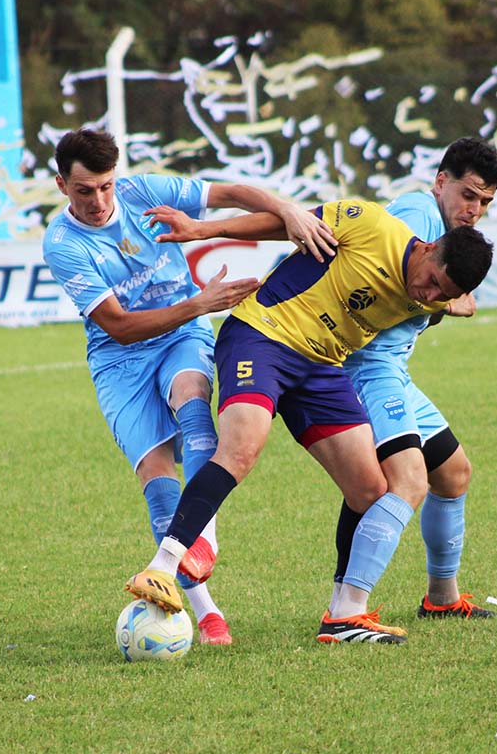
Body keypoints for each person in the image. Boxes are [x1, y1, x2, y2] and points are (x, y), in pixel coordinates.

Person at [125, 199, 494, 644]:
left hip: (322, 367)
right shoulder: (372, 225)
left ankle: (342, 618)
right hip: (262, 334)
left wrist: (450, 302)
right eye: (432, 281)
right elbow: (286, 223)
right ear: (430, 246)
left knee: (370, 490)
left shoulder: (429, 297)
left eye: (442, 294)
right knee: (242, 449)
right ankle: (162, 567)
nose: (428, 295)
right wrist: (203, 229)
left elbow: (450, 300)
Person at [41, 129, 336, 647]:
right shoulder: (63, 245)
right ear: (62, 184)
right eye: (84, 190)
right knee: (157, 478)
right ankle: (204, 610)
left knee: (193, 403)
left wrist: (287, 211)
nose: (99, 201)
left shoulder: (141, 191)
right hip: (118, 359)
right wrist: (203, 302)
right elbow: (120, 326)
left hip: (182, 336)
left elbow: (232, 192)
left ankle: (201, 544)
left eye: (106, 186)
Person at [338, 137, 497, 622]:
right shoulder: (418, 215)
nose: (474, 210)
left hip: (391, 371)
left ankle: (441, 598)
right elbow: (384, 281)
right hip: (364, 368)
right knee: (403, 481)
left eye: (485, 202)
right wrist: (445, 302)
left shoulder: (450, 235)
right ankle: (348, 608)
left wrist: (446, 303)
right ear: (441, 182)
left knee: (453, 474)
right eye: (469, 195)